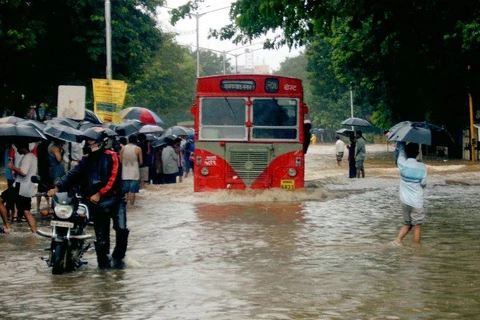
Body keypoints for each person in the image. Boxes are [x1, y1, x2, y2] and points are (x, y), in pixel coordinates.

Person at [48, 128, 128, 269]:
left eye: (91, 140)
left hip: (115, 200)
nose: (88, 143)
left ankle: (118, 257)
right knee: (101, 237)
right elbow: (73, 174)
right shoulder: (85, 159)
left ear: (100, 141)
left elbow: (113, 178)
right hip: (96, 203)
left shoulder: (112, 156)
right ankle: (103, 266)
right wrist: (57, 187)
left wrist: (100, 193)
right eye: (87, 141)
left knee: (121, 229)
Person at [0, 141, 38, 233]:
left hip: (19, 187)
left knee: (0, 201)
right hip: (27, 188)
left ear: (22, 147)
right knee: (26, 211)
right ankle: (35, 233)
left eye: (17, 148)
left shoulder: (27, 157)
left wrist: (12, 167)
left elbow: (23, 172)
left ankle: (7, 225)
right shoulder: (33, 157)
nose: (17, 150)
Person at [394, 142, 427, 244]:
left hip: (404, 200)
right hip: (417, 201)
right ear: (418, 152)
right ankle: (416, 250)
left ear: (407, 153)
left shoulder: (402, 163)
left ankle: (397, 241)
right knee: (417, 226)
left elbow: (401, 152)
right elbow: (423, 183)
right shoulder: (422, 167)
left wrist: (401, 143)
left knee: (407, 224)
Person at [119, 134, 143, 206]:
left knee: (125, 191)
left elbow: (120, 160)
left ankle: (125, 206)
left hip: (125, 172)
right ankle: (132, 205)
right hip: (134, 172)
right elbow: (141, 162)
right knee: (133, 191)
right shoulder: (138, 149)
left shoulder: (123, 148)